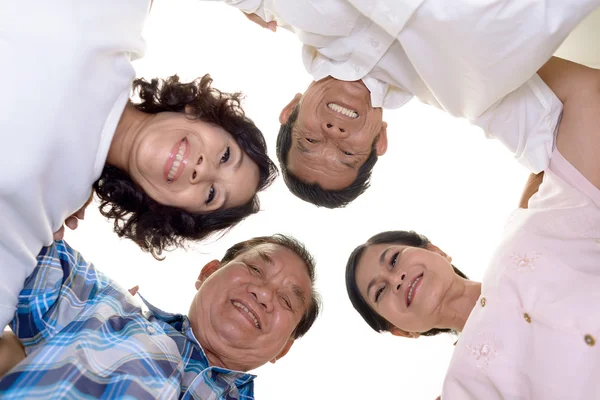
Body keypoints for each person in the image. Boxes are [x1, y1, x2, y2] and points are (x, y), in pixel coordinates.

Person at [0, 0, 278, 334]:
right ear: (199, 112)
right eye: (225, 156)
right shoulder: (116, 22)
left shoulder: (41, 214)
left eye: (210, 194)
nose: (202, 171)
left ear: (169, 210)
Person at [345, 57, 600, 399]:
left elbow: (583, 95)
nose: (396, 280)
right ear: (402, 332)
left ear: (435, 250)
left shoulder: (527, 230)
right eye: (380, 292)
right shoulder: (462, 388)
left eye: (393, 261)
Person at [213, 0, 600, 207]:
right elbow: (559, 155)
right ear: (379, 141)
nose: (334, 133)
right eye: (347, 153)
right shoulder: (470, 97)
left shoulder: (280, 6)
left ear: (289, 111)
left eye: (311, 141)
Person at [0, 234, 321, 398]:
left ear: (285, 348)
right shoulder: (104, 309)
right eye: (254, 268)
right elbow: (20, 237)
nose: (264, 295)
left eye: (287, 301)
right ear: (209, 272)